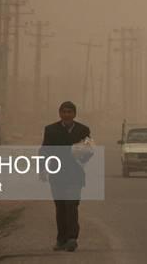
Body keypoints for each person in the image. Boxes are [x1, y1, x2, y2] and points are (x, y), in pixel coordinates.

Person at [40, 101, 91, 252]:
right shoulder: (51, 130)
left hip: (75, 174)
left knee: (71, 205)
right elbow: (44, 150)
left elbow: (89, 151)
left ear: (74, 114)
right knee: (60, 207)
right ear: (60, 113)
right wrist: (42, 169)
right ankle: (61, 239)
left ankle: (72, 238)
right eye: (64, 112)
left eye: (70, 112)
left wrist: (82, 155)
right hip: (56, 174)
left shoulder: (83, 130)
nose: (67, 115)